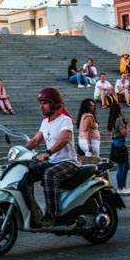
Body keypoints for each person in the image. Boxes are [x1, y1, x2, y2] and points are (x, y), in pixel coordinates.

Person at [22, 87, 80, 227]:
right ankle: (33, 212)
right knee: (25, 172)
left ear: (54, 104)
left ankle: (52, 214)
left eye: (45, 103)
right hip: (53, 161)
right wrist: (19, 151)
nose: (41, 106)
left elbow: (64, 139)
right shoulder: (45, 123)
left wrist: (48, 152)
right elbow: (35, 141)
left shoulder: (65, 120)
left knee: (49, 175)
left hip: (68, 163)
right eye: (40, 103)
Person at [108, 101, 130, 195]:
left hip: (115, 142)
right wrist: (127, 124)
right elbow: (124, 133)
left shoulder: (113, 119)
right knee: (122, 165)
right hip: (120, 143)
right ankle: (120, 187)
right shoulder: (119, 120)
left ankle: (123, 186)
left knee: (125, 164)